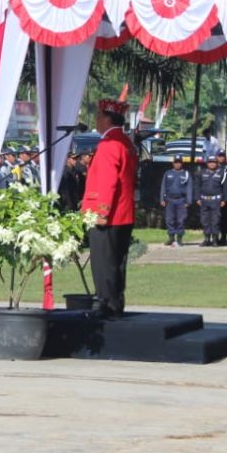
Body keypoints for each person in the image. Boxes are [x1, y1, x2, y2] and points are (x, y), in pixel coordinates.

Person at [80, 99, 136, 317]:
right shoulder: (125, 142)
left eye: (99, 116)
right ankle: (115, 300)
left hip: (109, 215)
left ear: (108, 119)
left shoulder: (109, 144)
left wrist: (100, 211)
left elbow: (107, 180)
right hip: (123, 213)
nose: (96, 120)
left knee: (103, 261)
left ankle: (105, 302)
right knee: (117, 262)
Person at [159, 154, 191, 247]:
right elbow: (163, 187)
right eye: (176, 162)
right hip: (170, 200)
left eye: (179, 162)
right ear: (173, 163)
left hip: (181, 200)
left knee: (181, 220)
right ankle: (171, 237)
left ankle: (180, 238)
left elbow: (189, 188)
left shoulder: (186, 174)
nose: (177, 164)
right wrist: (162, 199)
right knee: (169, 219)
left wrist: (188, 201)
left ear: (182, 163)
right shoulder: (168, 173)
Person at [196, 155, 224, 247]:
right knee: (205, 220)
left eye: (214, 162)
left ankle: (215, 240)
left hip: (216, 200)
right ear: (207, 163)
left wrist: (224, 199)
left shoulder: (221, 173)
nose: (212, 164)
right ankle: (206, 239)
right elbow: (197, 186)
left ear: (217, 163)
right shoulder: (201, 173)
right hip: (204, 200)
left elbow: (225, 188)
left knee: (215, 221)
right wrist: (197, 198)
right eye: (210, 162)